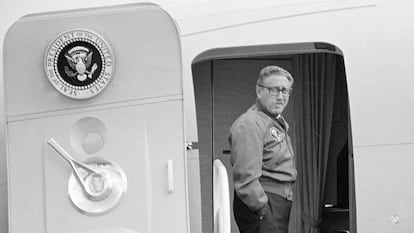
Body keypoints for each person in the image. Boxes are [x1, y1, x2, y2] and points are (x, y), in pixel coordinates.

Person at [229, 65, 297, 233]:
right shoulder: (250, 123)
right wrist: (262, 209)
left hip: (276, 203)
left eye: (285, 91)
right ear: (259, 92)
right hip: (264, 204)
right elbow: (246, 177)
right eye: (274, 90)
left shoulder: (273, 121)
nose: (280, 97)